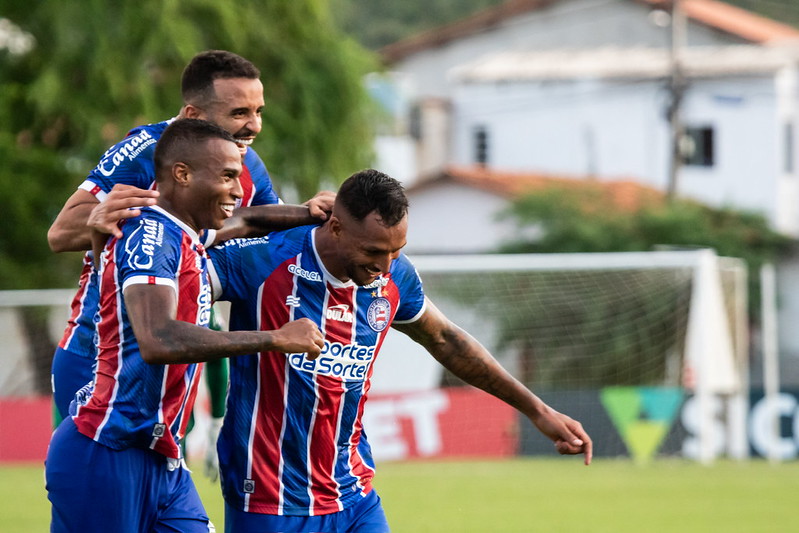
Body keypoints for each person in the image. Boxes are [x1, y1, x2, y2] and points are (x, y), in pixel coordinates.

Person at [206, 168, 592, 533]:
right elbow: (173, 280)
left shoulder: (394, 275)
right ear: (336, 227)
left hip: (352, 491)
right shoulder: (262, 259)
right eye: (374, 251)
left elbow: (445, 340)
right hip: (267, 496)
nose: (385, 264)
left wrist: (538, 411)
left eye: (396, 250)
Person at [45, 118, 325, 533]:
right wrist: (275, 338)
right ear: (182, 173)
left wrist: (308, 213)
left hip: (161, 457)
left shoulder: (185, 232)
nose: (237, 189)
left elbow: (247, 221)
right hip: (108, 452)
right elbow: (158, 339)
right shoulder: (151, 234)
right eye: (228, 176)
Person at [46, 49, 333, 440]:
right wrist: (104, 219)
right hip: (99, 354)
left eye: (259, 111)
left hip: (173, 354)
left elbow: (260, 227)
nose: (254, 126)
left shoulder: (246, 163)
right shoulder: (149, 149)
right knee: (93, 484)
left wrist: (315, 214)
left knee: (157, 488)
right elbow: (61, 233)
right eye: (238, 113)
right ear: (194, 115)